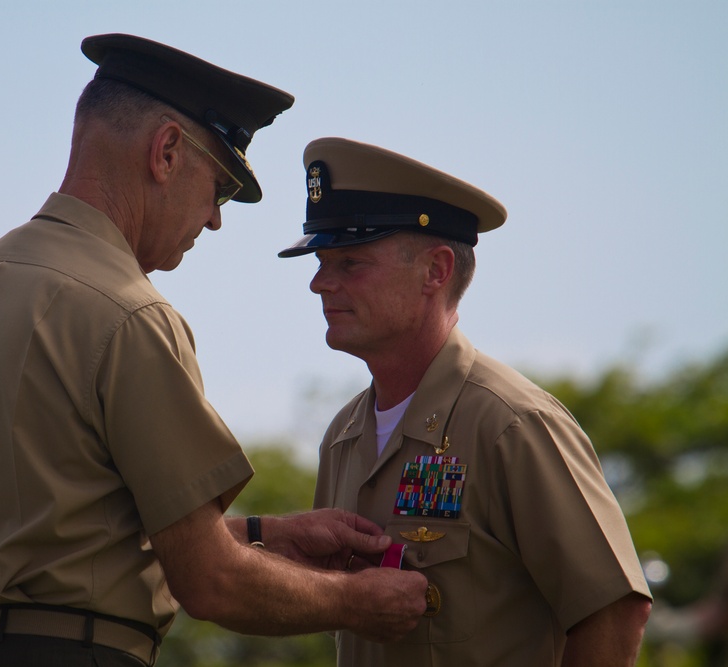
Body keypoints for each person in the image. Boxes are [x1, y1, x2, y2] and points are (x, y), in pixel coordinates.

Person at [0, 36, 428, 667]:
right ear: (168, 151)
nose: (213, 219)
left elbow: (62, 540)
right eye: (220, 187)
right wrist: (358, 602)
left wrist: (264, 534)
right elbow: (211, 581)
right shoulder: (130, 313)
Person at [278, 137, 653, 666]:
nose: (320, 283)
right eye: (321, 262)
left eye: (350, 263)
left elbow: (613, 611)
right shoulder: (344, 435)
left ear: (436, 270)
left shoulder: (512, 423)